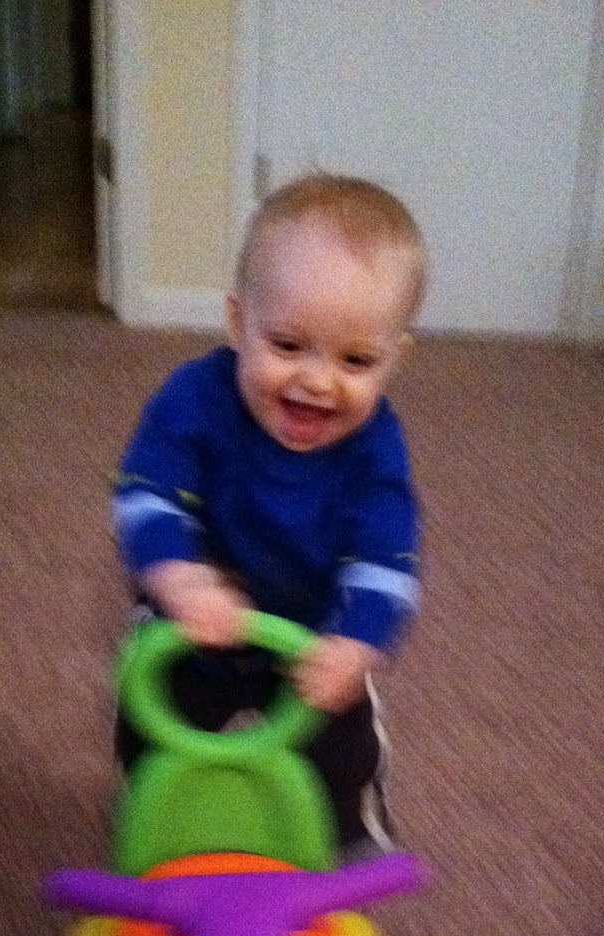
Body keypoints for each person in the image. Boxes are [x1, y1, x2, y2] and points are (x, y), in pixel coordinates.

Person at [112, 174, 428, 853]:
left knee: (341, 752)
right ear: (238, 322)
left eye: (356, 360)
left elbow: (389, 562)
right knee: (148, 722)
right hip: (195, 618)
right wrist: (180, 579)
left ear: (393, 359)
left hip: (312, 638)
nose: (317, 380)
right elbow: (144, 495)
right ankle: (158, 824)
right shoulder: (194, 398)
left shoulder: (376, 449)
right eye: (287, 345)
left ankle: (346, 841)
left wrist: (355, 645)